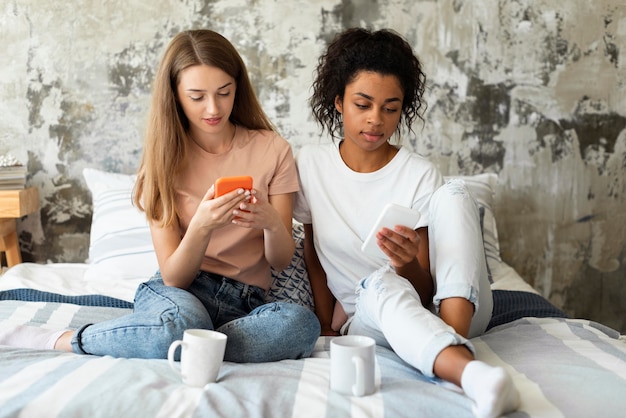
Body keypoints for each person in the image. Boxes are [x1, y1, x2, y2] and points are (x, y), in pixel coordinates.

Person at [1, 29, 320, 362]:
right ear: (175, 95)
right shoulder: (162, 160)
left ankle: (184, 344)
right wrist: (201, 226)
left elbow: (280, 261)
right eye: (197, 96)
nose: (213, 108)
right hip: (181, 294)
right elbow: (174, 276)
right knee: (181, 322)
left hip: (248, 302)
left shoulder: (273, 149)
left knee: (300, 325)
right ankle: (70, 339)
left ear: (237, 88)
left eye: (224, 92)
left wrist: (270, 222)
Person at [294, 28, 520, 418]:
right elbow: (312, 252)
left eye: (390, 107)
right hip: (370, 316)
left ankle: (451, 337)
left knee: (453, 193)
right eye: (362, 104)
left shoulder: (419, 173)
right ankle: (471, 374)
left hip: (448, 307)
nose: (376, 120)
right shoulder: (311, 166)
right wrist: (323, 322)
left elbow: (428, 285)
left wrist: (406, 264)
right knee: (381, 284)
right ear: (338, 102)